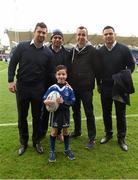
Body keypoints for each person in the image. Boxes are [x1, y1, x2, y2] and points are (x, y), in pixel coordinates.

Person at [8, 22, 54, 156]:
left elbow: (50, 73)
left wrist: (57, 86)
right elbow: (12, 63)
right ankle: (23, 142)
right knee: (22, 116)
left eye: (44, 33)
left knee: (37, 117)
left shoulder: (48, 53)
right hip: (22, 88)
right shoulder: (22, 47)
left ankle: (36, 141)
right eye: (39, 31)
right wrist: (11, 80)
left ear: (46, 35)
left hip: (38, 90)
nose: (41, 34)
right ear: (34, 32)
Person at [98, 26, 135, 151]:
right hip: (105, 87)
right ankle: (108, 133)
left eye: (110, 33)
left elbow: (131, 65)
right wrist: (99, 84)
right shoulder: (100, 51)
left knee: (120, 113)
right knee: (106, 112)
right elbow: (98, 70)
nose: (108, 36)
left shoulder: (124, 49)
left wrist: (124, 75)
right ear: (103, 36)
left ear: (115, 34)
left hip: (120, 87)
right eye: (106, 34)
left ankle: (121, 138)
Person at [69, 26, 101, 149]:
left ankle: (91, 138)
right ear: (76, 36)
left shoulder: (92, 51)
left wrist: (98, 84)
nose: (81, 37)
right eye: (79, 34)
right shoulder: (72, 51)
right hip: (74, 88)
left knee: (89, 112)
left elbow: (98, 70)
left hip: (86, 88)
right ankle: (77, 131)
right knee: (75, 111)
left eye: (83, 35)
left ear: (86, 36)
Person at [40, 29, 70, 141]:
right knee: (45, 109)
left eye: (59, 37)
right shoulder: (45, 51)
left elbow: (68, 70)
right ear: (51, 39)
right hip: (46, 85)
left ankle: (58, 133)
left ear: (62, 40)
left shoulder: (66, 53)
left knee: (60, 110)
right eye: (55, 37)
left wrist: (66, 82)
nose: (57, 39)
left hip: (61, 86)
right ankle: (42, 132)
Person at [43, 65, 75, 162]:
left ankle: (66, 149)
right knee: (54, 132)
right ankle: (52, 151)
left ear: (66, 75)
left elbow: (73, 101)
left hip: (65, 113)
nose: (61, 76)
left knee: (65, 131)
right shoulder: (52, 88)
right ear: (56, 76)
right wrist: (46, 102)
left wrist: (63, 102)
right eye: (59, 74)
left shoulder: (69, 89)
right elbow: (45, 98)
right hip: (55, 114)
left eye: (63, 74)